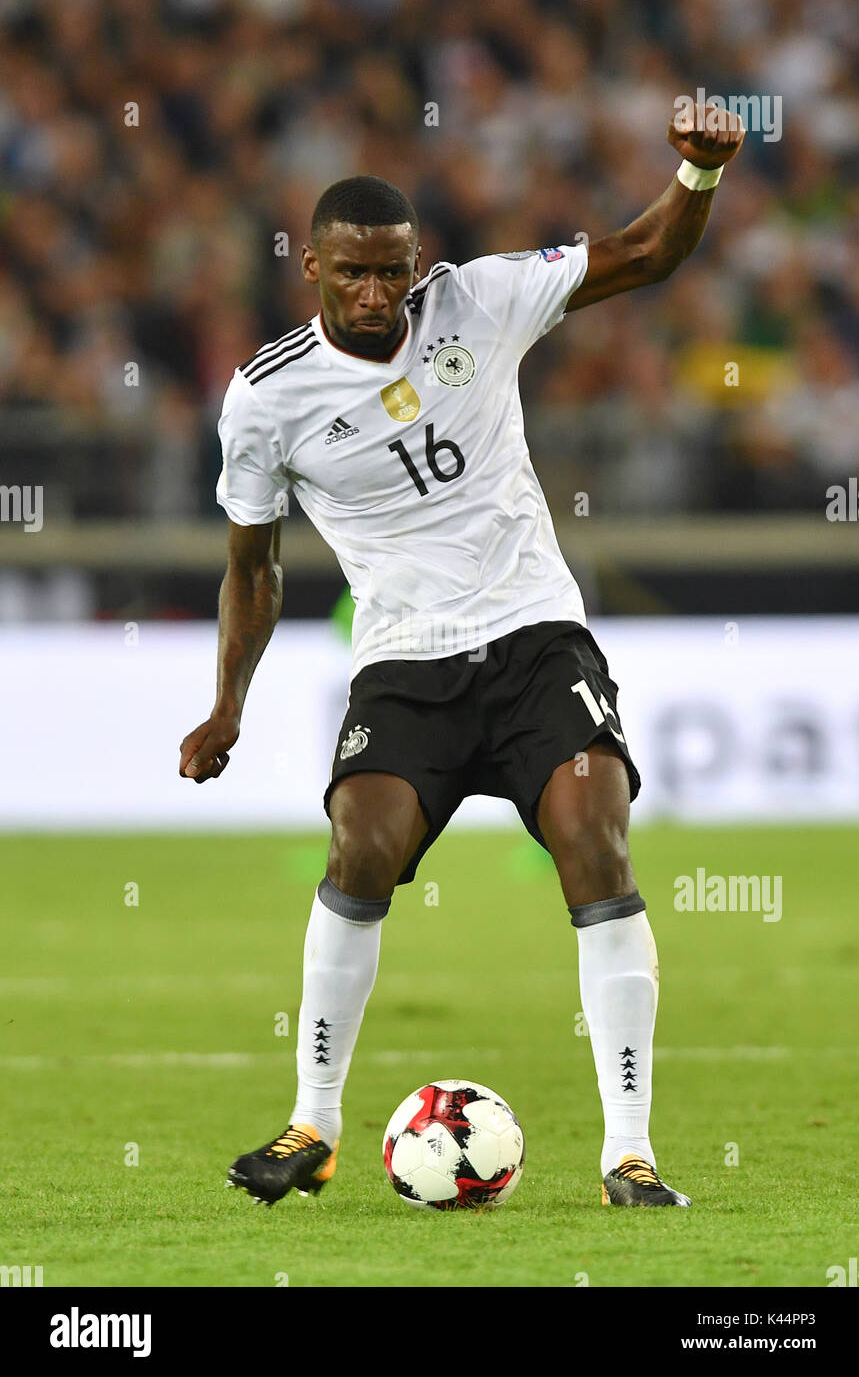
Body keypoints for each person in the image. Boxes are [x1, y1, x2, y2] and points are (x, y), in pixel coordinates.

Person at [179, 104, 744, 1208]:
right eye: (352, 274)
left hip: (534, 634)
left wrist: (695, 171)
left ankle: (628, 1154)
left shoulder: (478, 299)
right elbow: (253, 568)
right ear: (311, 266)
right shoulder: (265, 400)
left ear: (415, 261)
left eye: (393, 272)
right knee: (360, 847)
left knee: (595, 843)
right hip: (405, 661)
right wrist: (225, 706)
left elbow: (641, 252)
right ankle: (314, 1125)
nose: (377, 296)